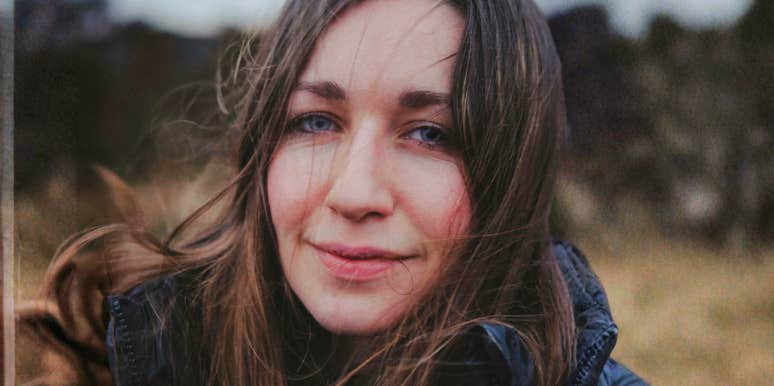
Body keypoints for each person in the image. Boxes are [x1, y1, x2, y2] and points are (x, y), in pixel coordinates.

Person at [21, 0, 647, 385]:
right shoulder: (114, 357)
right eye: (315, 122)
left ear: (514, 175)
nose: (353, 193)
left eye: (430, 133)